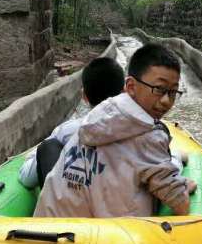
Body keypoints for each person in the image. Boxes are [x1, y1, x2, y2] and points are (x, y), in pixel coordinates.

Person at [34, 43, 196, 218]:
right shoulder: (150, 135)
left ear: (85, 97)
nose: (166, 101)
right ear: (131, 86)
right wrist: (181, 190)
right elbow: (180, 203)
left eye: (172, 93)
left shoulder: (93, 118)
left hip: (52, 233)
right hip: (109, 240)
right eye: (159, 89)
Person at [19, 56, 125, 189]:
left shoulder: (67, 131)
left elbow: (27, 178)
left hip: (79, 205)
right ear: (125, 91)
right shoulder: (144, 130)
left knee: (47, 147)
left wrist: (32, 155)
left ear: (84, 96)